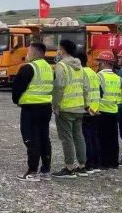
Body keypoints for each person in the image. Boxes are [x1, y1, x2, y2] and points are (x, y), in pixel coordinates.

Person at [11, 42, 53, 182]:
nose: (27, 54)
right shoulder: (49, 68)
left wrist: (17, 101)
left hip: (31, 108)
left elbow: (17, 88)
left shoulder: (28, 68)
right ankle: (46, 169)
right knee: (44, 137)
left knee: (31, 138)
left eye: (28, 51)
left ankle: (32, 171)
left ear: (34, 53)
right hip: (46, 107)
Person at [51, 39, 87, 179]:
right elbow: (85, 87)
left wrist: (56, 105)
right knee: (79, 136)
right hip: (79, 107)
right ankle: (82, 166)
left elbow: (59, 86)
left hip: (66, 107)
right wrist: (85, 104)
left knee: (66, 138)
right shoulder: (80, 65)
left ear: (63, 50)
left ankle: (69, 168)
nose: (57, 51)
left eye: (59, 48)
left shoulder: (61, 66)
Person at [96, 50, 121, 170]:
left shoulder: (99, 76)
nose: (98, 64)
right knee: (113, 138)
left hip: (102, 110)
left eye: (100, 62)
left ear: (105, 62)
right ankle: (114, 162)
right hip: (114, 110)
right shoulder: (117, 77)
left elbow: (97, 93)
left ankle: (104, 163)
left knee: (102, 138)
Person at [78, 51, 101, 173]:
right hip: (95, 108)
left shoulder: (80, 73)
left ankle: (88, 164)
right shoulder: (93, 73)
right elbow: (100, 91)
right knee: (93, 136)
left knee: (85, 138)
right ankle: (96, 163)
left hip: (85, 109)